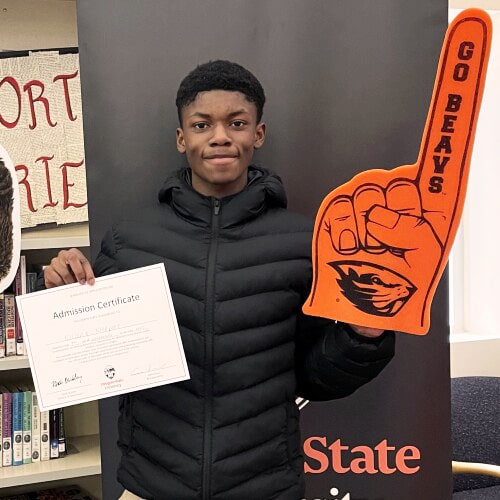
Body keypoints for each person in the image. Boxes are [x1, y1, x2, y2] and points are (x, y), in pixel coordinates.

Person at [44, 60, 395, 500]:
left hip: (265, 485)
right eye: (201, 124)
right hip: (152, 485)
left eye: (237, 123)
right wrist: (61, 300)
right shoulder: (129, 239)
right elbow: (97, 362)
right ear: (181, 138)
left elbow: (315, 378)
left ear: (258, 134)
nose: (220, 136)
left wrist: (362, 338)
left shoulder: (306, 242)